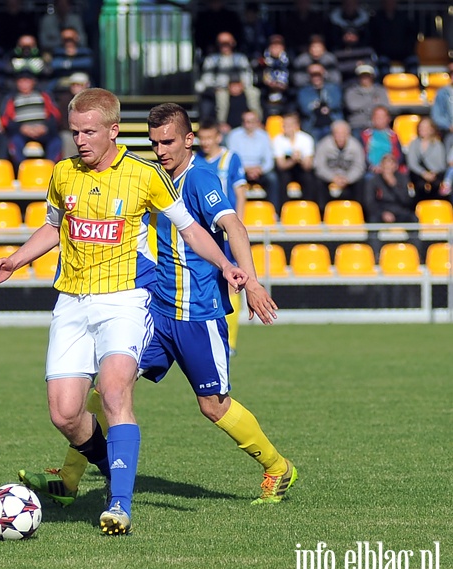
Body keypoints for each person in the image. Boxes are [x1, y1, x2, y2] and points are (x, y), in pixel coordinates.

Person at [0, 89, 248, 535]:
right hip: (71, 300)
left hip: (126, 299)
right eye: (75, 132)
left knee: (114, 390)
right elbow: (53, 227)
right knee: (65, 414)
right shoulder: (63, 174)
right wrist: (14, 261)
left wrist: (226, 264)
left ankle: (119, 506)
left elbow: (191, 229)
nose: (81, 141)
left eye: (89, 132)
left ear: (112, 130)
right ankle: (114, 472)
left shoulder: (144, 175)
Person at [18, 102, 293, 514]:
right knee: (109, 389)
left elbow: (233, 226)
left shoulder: (200, 178)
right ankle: (69, 479)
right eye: (154, 142)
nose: (160, 150)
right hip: (156, 309)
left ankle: (278, 466)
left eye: (168, 142)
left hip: (197, 312)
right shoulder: (153, 178)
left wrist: (249, 279)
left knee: (212, 406)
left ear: (188, 139)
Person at [196, 118, 247, 355]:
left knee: (231, 284)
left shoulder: (230, 158)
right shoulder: (194, 160)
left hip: (225, 232)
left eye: (209, 137)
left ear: (218, 137)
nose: (205, 142)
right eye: (201, 138)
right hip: (202, 234)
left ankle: (231, 342)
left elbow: (240, 191)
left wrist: (238, 225)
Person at [0, 70, 62, 167]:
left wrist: (45, 127)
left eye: (27, 81)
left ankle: (51, 169)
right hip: (21, 132)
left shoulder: (44, 96)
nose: (24, 84)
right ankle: (22, 170)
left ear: (33, 82)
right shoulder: (11, 99)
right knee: (14, 142)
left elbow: (55, 116)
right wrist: (21, 128)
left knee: (56, 141)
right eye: (21, 81)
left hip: (43, 130)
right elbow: (6, 120)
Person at [225, 111, 279, 206]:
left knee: (272, 179)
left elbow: (269, 160)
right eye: (246, 121)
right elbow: (232, 158)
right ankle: (231, 210)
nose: (248, 124)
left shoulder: (264, 136)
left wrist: (260, 169)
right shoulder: (234, 135)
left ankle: (274, 211)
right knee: (228, 178)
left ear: (257, 122)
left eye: (251, 121)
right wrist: (246, 169)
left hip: (259, 170)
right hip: (240, 170)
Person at [313, 120, 366, 213]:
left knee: (362, 182)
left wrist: (348, 179)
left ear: (348, 134)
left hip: (348, 179)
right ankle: (322, 213)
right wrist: (333, 178)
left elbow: (359, 167)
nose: (340, 137)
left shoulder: (355, 146)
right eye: (337, 134)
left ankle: (357, 212)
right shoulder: (324, 145)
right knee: (317, 182)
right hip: (329, 178)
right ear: (332, 134)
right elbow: (319, 166)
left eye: (343, 134)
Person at [272, 112, 316, 209]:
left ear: (296, 126)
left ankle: (308, 208)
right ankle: (282, 209)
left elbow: (308, 165)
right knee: (281, 179)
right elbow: (281, 165)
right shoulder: (278, 140)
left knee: (309, 178)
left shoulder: (306, 139)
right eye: (284, 125)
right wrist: (292, 159)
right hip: (286, 169)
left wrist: (299, 159)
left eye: (289, 125)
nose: (286, 128)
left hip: (301, 168)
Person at [364, 153, 416, 224]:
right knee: (372, 220)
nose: (388, 168)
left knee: (412, 218)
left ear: (396, 166)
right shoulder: (373, 181)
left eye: (391, 164)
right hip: (381, 211)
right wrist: (383, 213)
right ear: (381, 166)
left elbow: (408, 201)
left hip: (399, 211)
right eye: (385, 165)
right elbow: (369, 202)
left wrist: (394, 185)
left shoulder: (404, 179)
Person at [297, 63, 343, 142]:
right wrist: (319, 106)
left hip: (331, 124)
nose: (316, 78)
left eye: (318, 75)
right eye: (313, 75)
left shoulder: (333, 88)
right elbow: (305, 108)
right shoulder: (304, 91)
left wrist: (326, 106)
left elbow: (337, 103)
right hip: (312, 126)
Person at [406, 117, 447, 202]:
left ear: (431, 129)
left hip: (434, 175)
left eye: (425, 127)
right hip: (419, 174)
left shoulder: (438, 145)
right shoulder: (414, 144)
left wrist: (432, 173)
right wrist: (424, 173)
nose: (422, 129)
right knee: (419, 186)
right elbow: (412, 163)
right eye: (421, 127)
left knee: (437, 185)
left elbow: (442, 165)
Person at [344, 65, 389, 140]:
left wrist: (362, 105)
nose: (365, 78)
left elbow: (385, 106)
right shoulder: (351, 91)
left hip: (377, 127)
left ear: (372, 76)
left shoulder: (381, 90)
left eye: (367, 76)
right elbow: (352, 106)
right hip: (358, 126)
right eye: (362, 76)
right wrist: (373, 101)